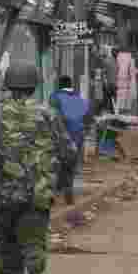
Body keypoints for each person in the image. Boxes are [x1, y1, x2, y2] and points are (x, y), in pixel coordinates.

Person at [0, 61, 75, 274]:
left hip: (4, 196)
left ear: (8, 85)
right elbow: (68, 151)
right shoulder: (47, 113)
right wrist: (63, 182)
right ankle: (35, 269)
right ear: (34, 85)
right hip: (37, 193)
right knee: (33, 241)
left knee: (8, 251)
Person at [49, 76, 89, 205]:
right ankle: (68, 193)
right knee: (71, 164)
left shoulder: (55, 97)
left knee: (56, 164)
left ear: (59, 85)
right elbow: (87, 117)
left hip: (62, 135)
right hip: (77, 136)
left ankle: (54, 195)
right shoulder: (80, 99)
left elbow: (53, 117)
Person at [114, 46, 137, 114]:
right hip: (127, 86)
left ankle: (121, 117)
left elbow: (116, 70)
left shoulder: (118, 58)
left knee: (120, 105)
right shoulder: (130, 59)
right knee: (126, 106)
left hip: (120, 84)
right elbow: (131, 73)